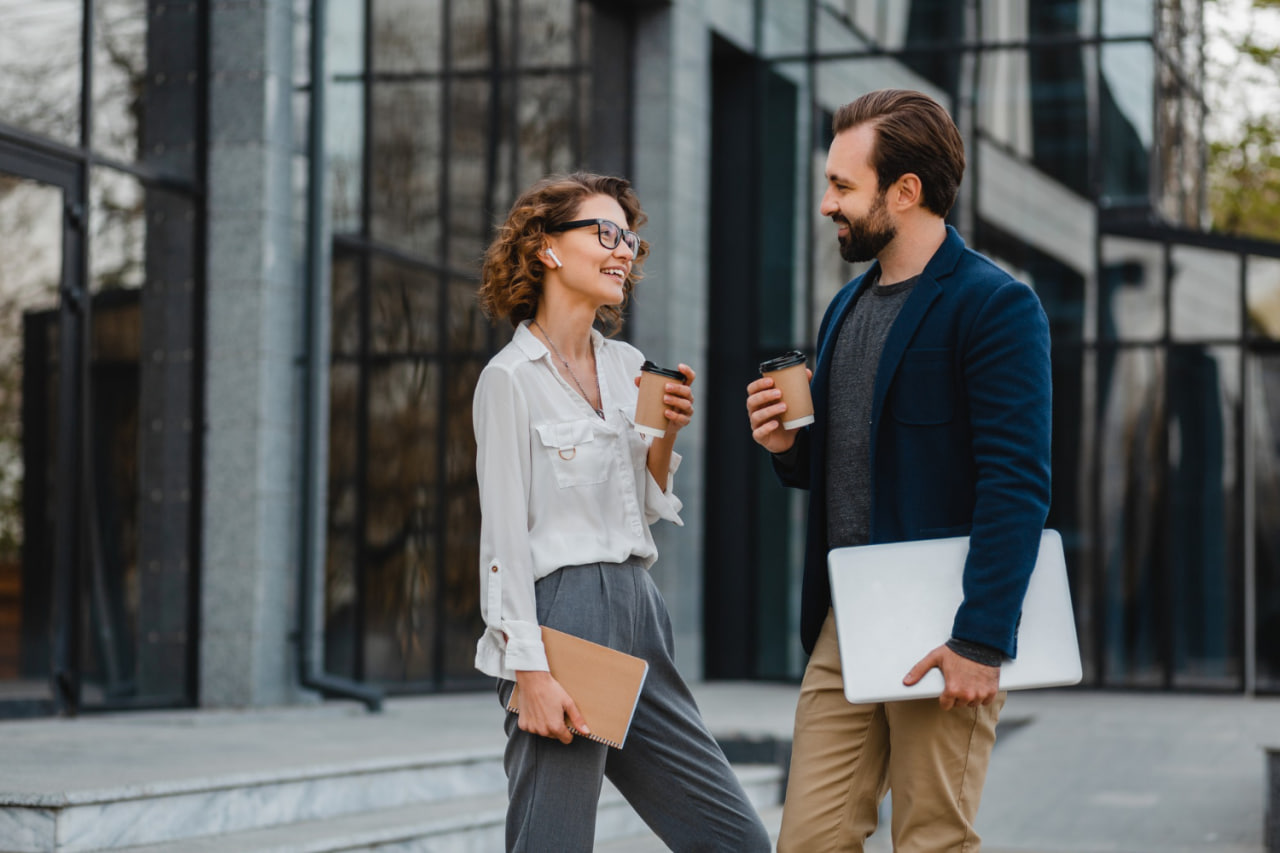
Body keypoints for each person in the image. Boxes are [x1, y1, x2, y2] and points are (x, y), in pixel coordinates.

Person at [745, 89, 1052, 851]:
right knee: (809, 839)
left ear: (905, 191)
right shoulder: (843, 307)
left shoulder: (995, 305)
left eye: (843, 186)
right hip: (845, 619)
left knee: (930, 839)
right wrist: (790, 448)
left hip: (944, 622)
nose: (826, 205)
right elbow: (860, 461)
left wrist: (982, 639)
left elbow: (1017, 480)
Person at [474, 172, 771, 853]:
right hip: (567, 616)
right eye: (604, 233)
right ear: (546, 247)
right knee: (553, 839)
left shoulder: (629, 366)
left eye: (629, 239)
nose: (623, 251)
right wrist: (531, 669)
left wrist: (665, 431)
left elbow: (645, 502)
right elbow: (503, 541)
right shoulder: (510, 380)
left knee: (737, 839)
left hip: (640, 609)